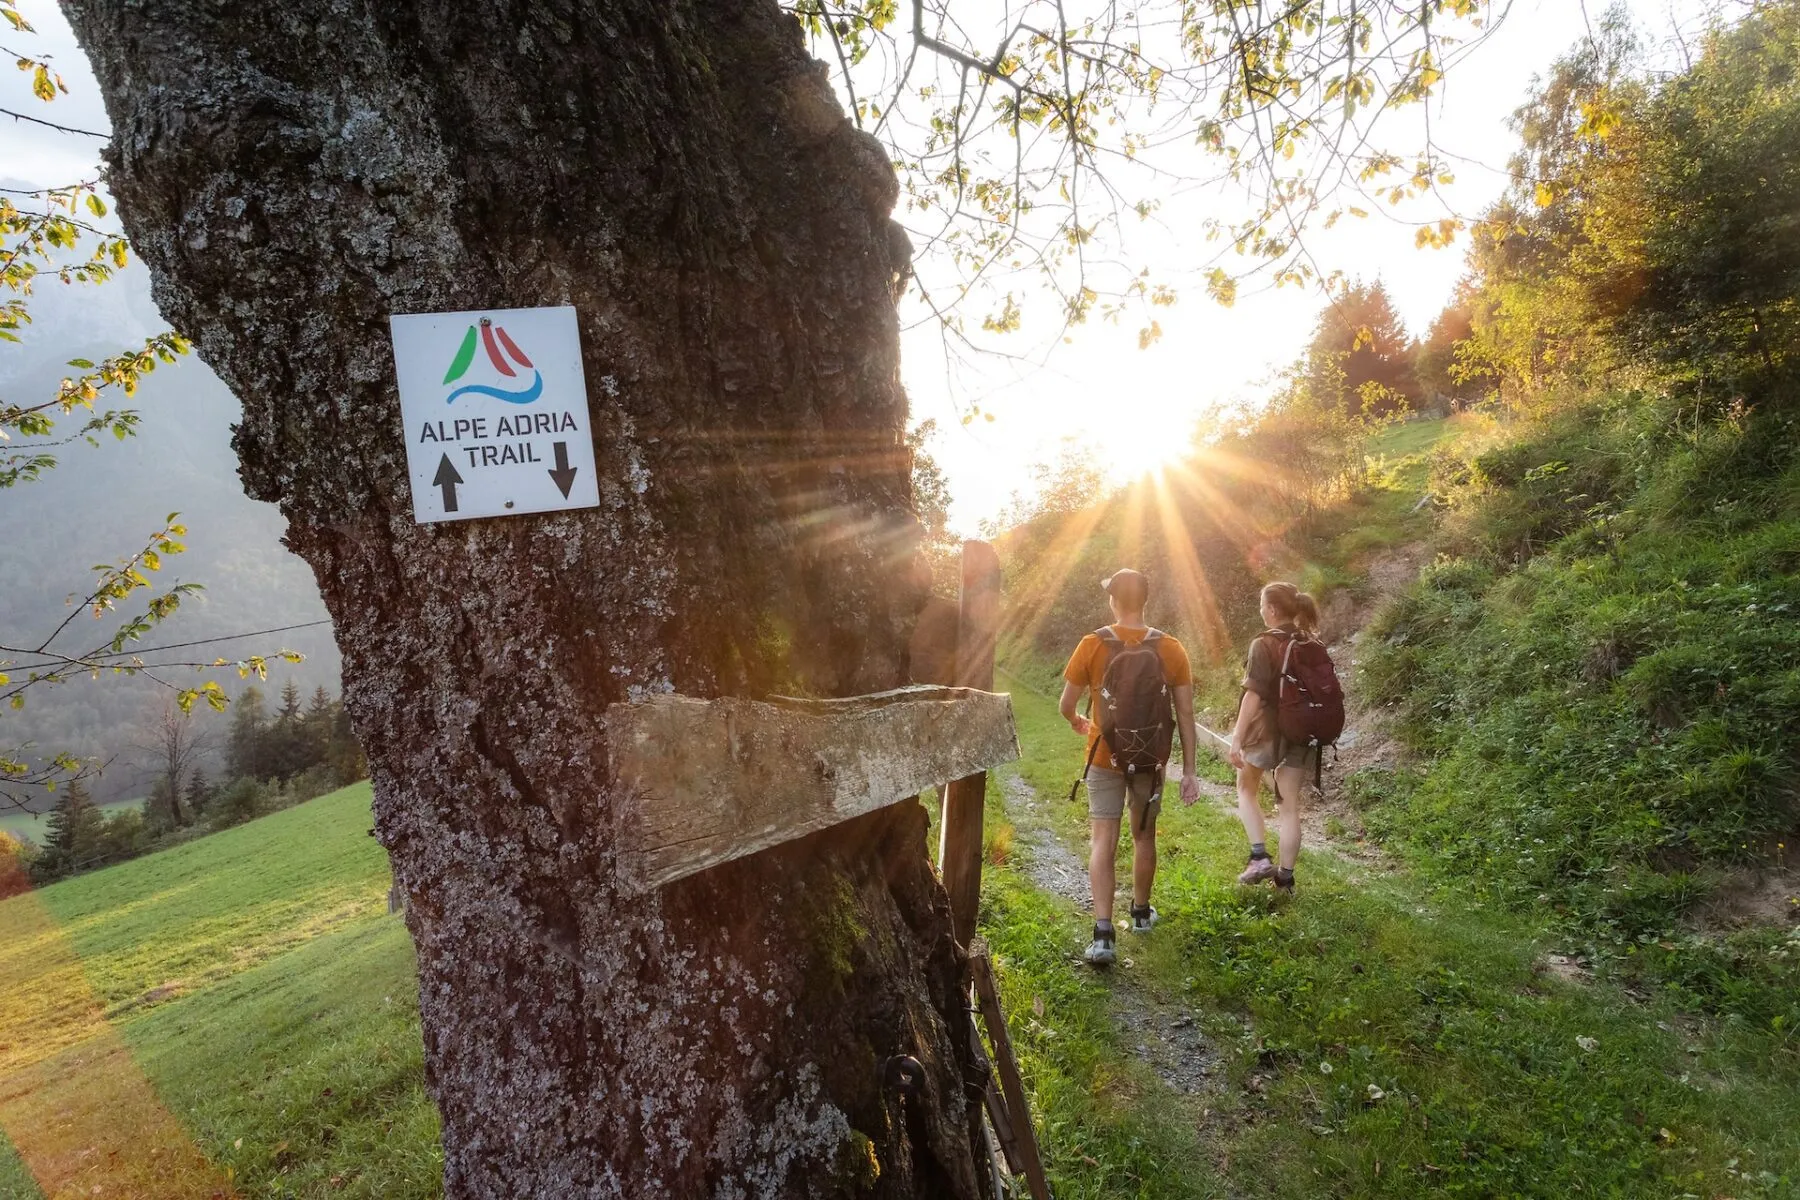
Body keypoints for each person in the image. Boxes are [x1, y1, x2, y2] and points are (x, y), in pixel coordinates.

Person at [1059, 569, 1201, 966]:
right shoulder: (1170, 647)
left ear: (1113, 601)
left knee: (1103, 840)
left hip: (1105, 755)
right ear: (1145, 600)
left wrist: (1077, 722)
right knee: (1144, 835)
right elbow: (1186, 716)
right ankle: (1140, 914)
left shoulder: (1092, 643)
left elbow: (1066, 705)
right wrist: (1189, 770)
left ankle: (1103, 936)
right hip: (1149, 759)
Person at [1227, 581, 1324, 892]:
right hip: (1302, 728)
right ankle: (1285, 880)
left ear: (1271, 610)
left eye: (1260, 605)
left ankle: (1259, 857)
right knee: (1289, 806)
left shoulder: (1263, 644)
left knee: (1245, 785)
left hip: (1268, 729)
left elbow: (1253, 695)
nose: (1260, 610)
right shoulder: (1309, 641)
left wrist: (1237, 737)